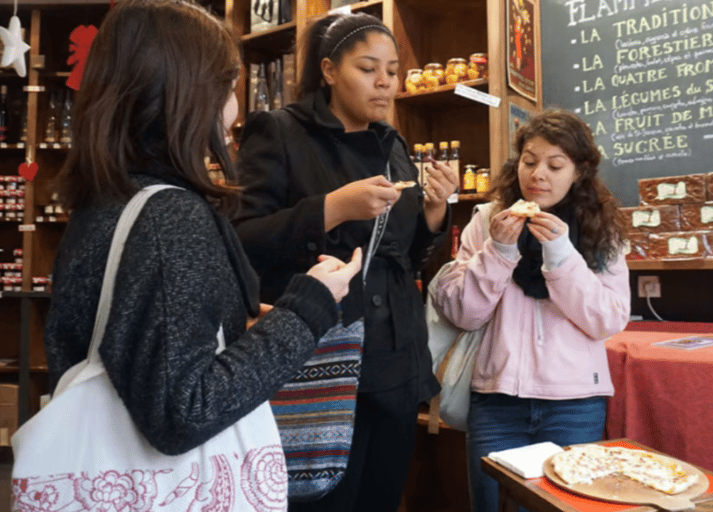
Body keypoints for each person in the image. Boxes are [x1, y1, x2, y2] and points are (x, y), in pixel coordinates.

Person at [43, 0, 360, 504]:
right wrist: (310, 306)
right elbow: (182, 409)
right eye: (227, 86)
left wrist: (231, 321)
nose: (235, 109)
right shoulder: (169, 218)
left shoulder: (109, 201)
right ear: (188, 94)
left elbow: (140, 344)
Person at [233, 12, 459, 512]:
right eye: (367, 68)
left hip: (396, 362)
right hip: (321, 365)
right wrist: (333, 209)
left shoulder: (393, 144)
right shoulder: (279, 131)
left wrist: (435, 213)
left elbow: (407, 259)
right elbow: (242, 240)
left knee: (381, 498)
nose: (384, 83)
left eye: (393, 70)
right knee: (319, 502)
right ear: (330, 71)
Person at [433, 108, 631, 512]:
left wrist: (561, 255)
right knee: (492, 505)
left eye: (555, 165)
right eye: (529, 161)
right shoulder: (488, 220)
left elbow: (607, 320)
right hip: (497, 401)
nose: (538, 173)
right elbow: (464, 313)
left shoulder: (602, 229)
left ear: (577, 172)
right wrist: (500, 251)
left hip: (575, 404)